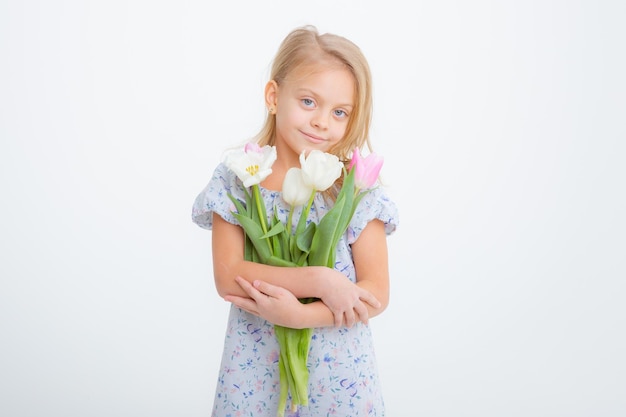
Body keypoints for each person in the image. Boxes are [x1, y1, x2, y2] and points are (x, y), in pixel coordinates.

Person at [192, 25, 399, 417]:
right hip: (255, 369)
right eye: (308, 101)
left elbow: (376, 292)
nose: (322, 122)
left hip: (339, 373)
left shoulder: (352, 191)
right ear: (274, 97)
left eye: (339, 112)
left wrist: (301, 315)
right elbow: (228, 274)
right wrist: (319, 280)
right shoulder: (238, 178)